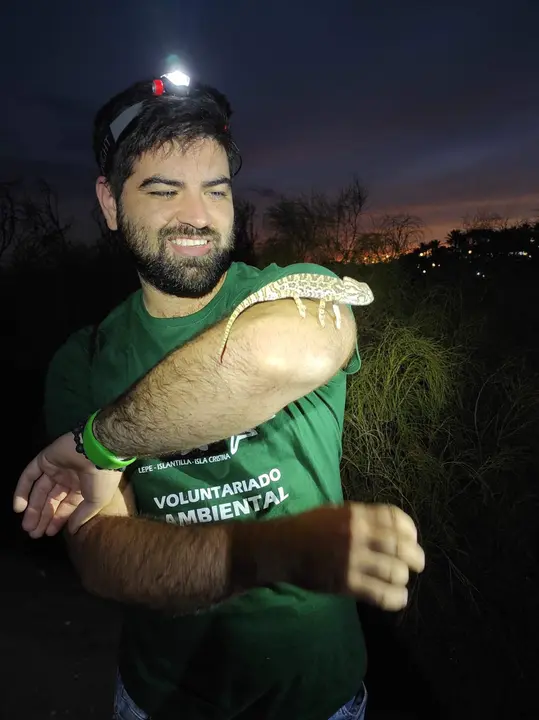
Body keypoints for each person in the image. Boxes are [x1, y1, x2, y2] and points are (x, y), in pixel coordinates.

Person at [13, 73, 425, 720]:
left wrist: (98, 442)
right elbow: (100, 556)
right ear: (110, 202)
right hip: (161, 698)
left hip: (319, 699)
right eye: (162, 189)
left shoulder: (295, 286)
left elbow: (294, 352)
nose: (197, 217)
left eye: (216, 189)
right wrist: (277, 552)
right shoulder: (83, 359)